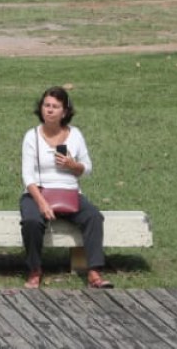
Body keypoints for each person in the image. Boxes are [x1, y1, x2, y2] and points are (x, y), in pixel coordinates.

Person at [19, 85, 111, 289]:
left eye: (55, 106)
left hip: (69, 192)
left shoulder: (75, 135)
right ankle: (34, 270)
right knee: (32, 221)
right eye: (46, 105)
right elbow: (27, 176)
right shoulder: (31, 136)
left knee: (94, 216)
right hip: (38, 193)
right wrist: (42, 203)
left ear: (65, 112)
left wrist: (72, 165)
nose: (50, 110)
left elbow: (87, 169)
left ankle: (94, 272)